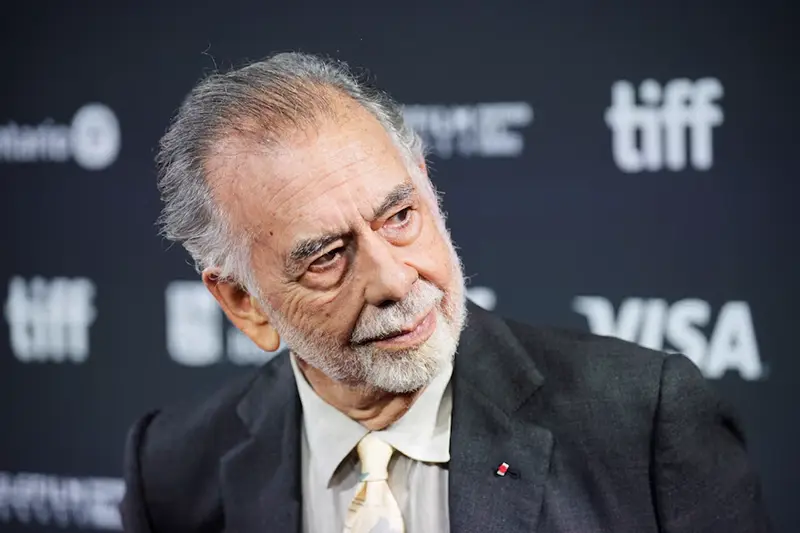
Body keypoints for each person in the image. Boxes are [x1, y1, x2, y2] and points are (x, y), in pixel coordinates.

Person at [120, 52, 771, 533]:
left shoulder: (645, 426)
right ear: (242, 302)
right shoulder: (172, 469)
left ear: (428, 188)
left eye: (400, 217)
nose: (397, 279)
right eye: (325, 257)